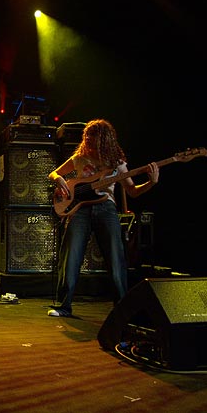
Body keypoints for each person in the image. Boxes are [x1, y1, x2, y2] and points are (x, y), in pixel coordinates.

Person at [47, 119, 159, 317]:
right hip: (80, 210)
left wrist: (151, 182)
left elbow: (132, 191)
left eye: (93, 136)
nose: (88, 139)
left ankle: (122, 310)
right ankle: (64, 306)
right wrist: (59, 179)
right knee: (70, 257)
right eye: (87, 135)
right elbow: (53, 173)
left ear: (104, 139)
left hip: (106, 208)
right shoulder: (79, 158)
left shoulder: (117, 164)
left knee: (116, 260)